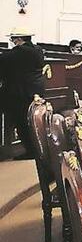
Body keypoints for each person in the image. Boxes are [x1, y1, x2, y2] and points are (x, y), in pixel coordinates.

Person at [0, 29, 46, 158]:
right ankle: (37, 150)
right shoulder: (38, 50)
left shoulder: (17, 53)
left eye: (13, 39)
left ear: (19, 39)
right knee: (33, 123)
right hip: (36, 91)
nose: (12, 42)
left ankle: (29, 151)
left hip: (20, 93)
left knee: (22, 124)